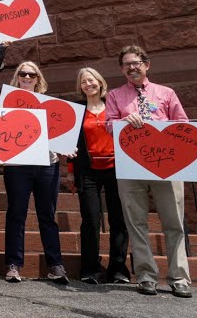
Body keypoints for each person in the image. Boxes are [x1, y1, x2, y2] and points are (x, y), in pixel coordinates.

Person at [105, 45, 192, 298]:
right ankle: (145, 276)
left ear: (146, 65)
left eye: (136, 63)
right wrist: (124, 122)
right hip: (131, 164)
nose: (132, 68)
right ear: (122, 69)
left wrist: (160, 128)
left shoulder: (166, 93)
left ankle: (179, 277)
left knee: (174, 221)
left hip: (167, 163)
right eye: (126, 65)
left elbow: (183, 124)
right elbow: (109, 126)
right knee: (136, 222)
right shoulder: (115, 95)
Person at [1, 61, 71, 285]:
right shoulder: (8, 103)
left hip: (47, 164)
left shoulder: (50, 104)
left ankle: (55, 265)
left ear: (38, 78)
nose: (27, 77)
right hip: (17, 166)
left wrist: (68, 145)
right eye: (23, 73)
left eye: (32, 74)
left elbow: (61, 131)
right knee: (16, 215)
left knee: (47, 215)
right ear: (17, 77)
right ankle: (13, 265)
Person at [73, 67, 130, 285]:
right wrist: (71, 172)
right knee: (90, 220)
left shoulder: (113, 105)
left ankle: (118, 269)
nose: (89, 84)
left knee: (118, 219)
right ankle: (90, 269)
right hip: (87, 170)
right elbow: (71, 143)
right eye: (84, 82)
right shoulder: (77, 110)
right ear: (80, 87)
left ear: (100, 82)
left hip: (116, 168)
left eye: (92, 80)